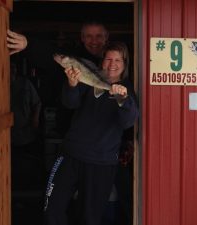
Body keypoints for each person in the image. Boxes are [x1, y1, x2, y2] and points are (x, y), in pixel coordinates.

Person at [43, 41, 138, 225]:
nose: (112, 64)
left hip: (101, 163)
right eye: (109, 59)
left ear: (125, 64)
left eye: (118, 60)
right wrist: (71, 84)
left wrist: (122, 99)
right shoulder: (87, 80)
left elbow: (127, 122)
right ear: (102, 62)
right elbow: (69, 103)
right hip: (70, 156)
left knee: (89, 218)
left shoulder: (126, 91)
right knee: (52, 209)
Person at [10, 61, 42, 189]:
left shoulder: (25, 83)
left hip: (25, 131)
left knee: (25, 163)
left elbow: (37, 103)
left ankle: (25, 188)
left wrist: (35, 120)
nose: (11, 71)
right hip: (7, 133)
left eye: (13, 68)